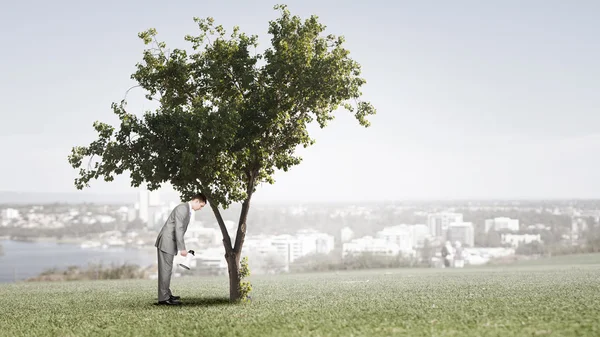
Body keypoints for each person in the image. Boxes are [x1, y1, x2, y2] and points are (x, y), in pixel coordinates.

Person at [154, 193, 207, 305]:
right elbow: (178, 228)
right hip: (167, 242)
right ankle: (163, 299)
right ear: (196, 201)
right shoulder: (182, 209)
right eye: (201, 206)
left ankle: (166, 294)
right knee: (165, 270)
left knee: (167, 270)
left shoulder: (186, 210)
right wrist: (182, 248)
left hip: (169, 242)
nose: (201, 209)